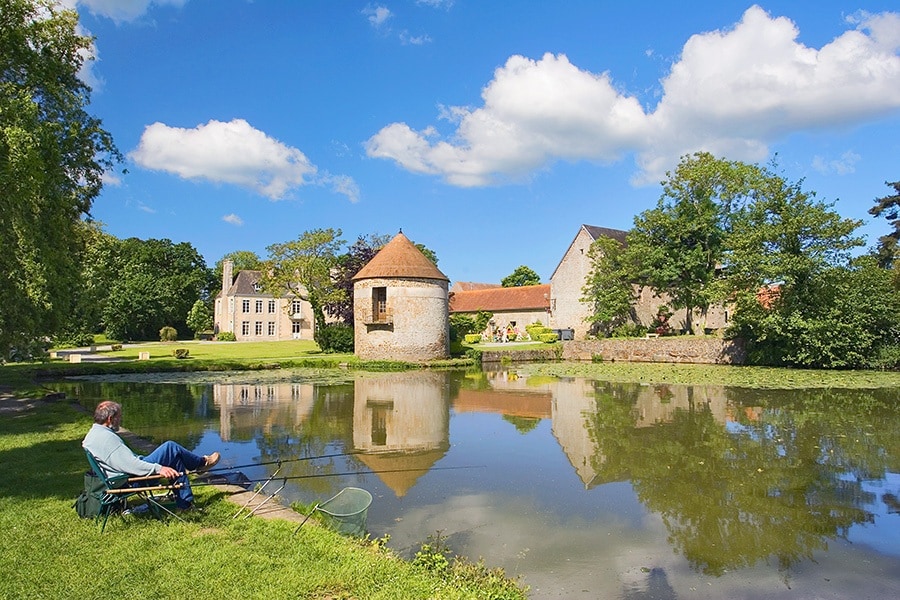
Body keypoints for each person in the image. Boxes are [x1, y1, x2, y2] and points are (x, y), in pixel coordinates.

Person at [82, 400, 219, 510]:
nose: (121, 420)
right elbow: (131, 465)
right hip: (131, 481)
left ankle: (185, 504)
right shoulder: (107, 439)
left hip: (119, 479)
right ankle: (201, 463)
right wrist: (159, 469)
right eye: (119, 417)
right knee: (170, 447)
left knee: (175, 457)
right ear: (110, 419)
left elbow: (125, 462)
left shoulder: (93, 434)